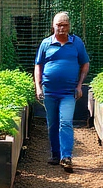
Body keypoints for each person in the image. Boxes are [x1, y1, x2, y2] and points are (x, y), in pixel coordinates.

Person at [33, 11, 89, 172]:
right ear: (53, 26)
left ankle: (66, 156)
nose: (61, 28)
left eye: (64, 25)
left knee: (65, 121)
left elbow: (85, 64)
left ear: (69, 26)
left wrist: (79, 85)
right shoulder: (46, 44)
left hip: (68, 93)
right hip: (49, 92)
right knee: (52, 124)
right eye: (58, 25)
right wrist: (38, 86)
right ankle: (55, 154)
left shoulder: (77, 43)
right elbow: (38, 66)